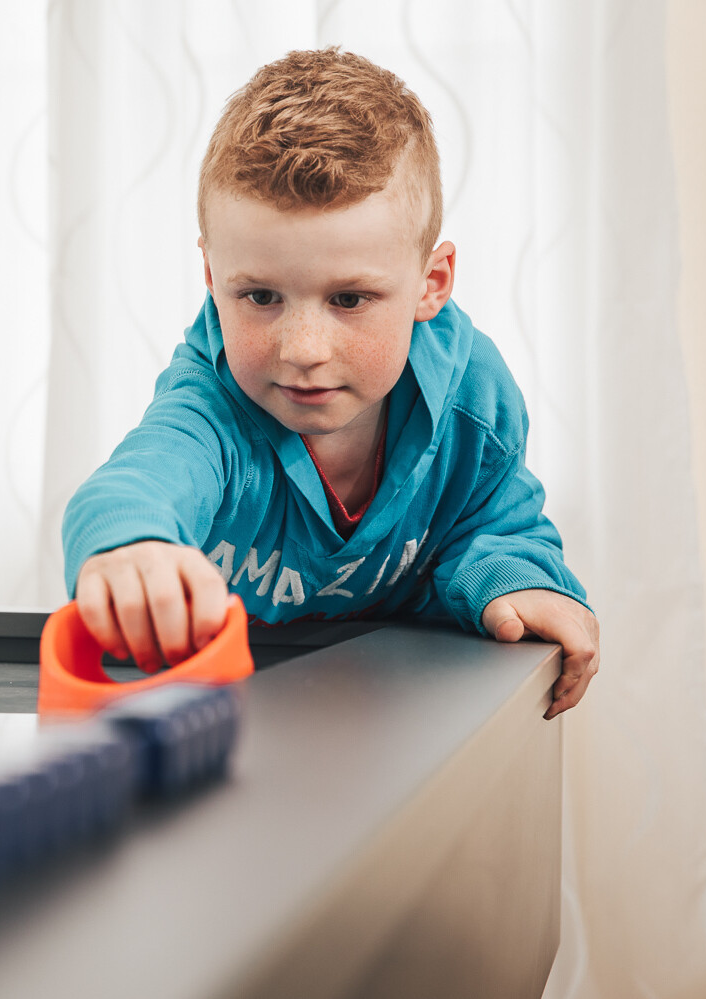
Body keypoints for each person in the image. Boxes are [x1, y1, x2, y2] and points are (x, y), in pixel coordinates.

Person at [61, 48, 599, 719]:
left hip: (402, 718)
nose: (304, 351)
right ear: (210, 275)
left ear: (431, 284)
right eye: (260, 295)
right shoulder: (211, 405)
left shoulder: (473, 406)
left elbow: (495, 525)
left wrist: (519, 583)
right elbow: (138, 480)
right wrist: (128, 544)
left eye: (349, 299)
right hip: (232, 723)